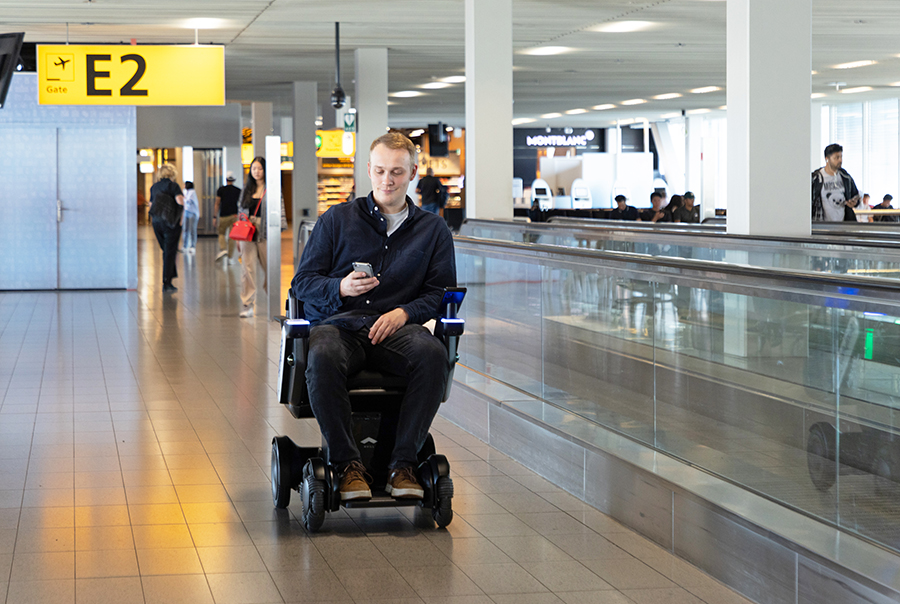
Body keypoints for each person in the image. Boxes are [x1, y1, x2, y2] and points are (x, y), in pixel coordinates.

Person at [291, 132, 456, 502]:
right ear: (368, 169)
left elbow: (440, 292)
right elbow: (302, 282)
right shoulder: (336, 220)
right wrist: (340, 289)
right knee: (322, 355)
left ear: (413, 172)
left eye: (397, 171)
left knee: (432, 356)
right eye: (380, 170)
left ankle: (403, 465)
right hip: (341, 325)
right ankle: (347, 466)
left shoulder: (433, 230)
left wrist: (405, 312)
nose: (387, 180)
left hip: (396, 329)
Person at [238, 157, 270, 318]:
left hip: (264, 231)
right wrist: (238, 238)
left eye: (260, 168)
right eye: (254, 169)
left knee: (269, 267)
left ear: (265, 170)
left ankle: (272, 297)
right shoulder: (247, 189)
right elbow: (240, 211)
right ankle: (247, 304)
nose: (256, 172)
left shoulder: (270, 188)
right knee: (247, 269)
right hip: (247, 231)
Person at [148, 163, 184, 293]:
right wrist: (180, 219)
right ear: (172, 173)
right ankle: (167, 282)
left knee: (166, 250)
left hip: (157, 222)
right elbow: (180, 202)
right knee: (170, 251)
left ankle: (169, 276)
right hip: (170, 222)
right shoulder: (173, 186)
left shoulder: (154, 187)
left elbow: (151, 204)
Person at [812, 143, 860, 222]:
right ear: (827, 159)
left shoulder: (845, 177)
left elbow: (855, 195)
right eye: (836, 157)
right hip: (821, 225)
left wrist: (854, 202)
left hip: (843, 225)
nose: (840, 160)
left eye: (841, 157)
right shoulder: (816, 179)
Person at [215, 172, 241, 262]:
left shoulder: (221, 190)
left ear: (226, 179)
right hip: (234, 215)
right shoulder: (238, 190)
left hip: (223, 215)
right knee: (232, 237)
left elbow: (217, 203)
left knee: (221, 233)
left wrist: (214, 216)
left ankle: (224, 249)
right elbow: (241, 204)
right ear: (234, 180)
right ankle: (230, 258)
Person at [181, 181, 199, 253]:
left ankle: (192, 246)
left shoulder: (192, 192)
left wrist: (184, 198)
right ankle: (185, 245)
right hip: (186, 212)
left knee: (192, 230)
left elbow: (189, 201)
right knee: (186, 229)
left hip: (193, 213)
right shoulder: (186, 192)